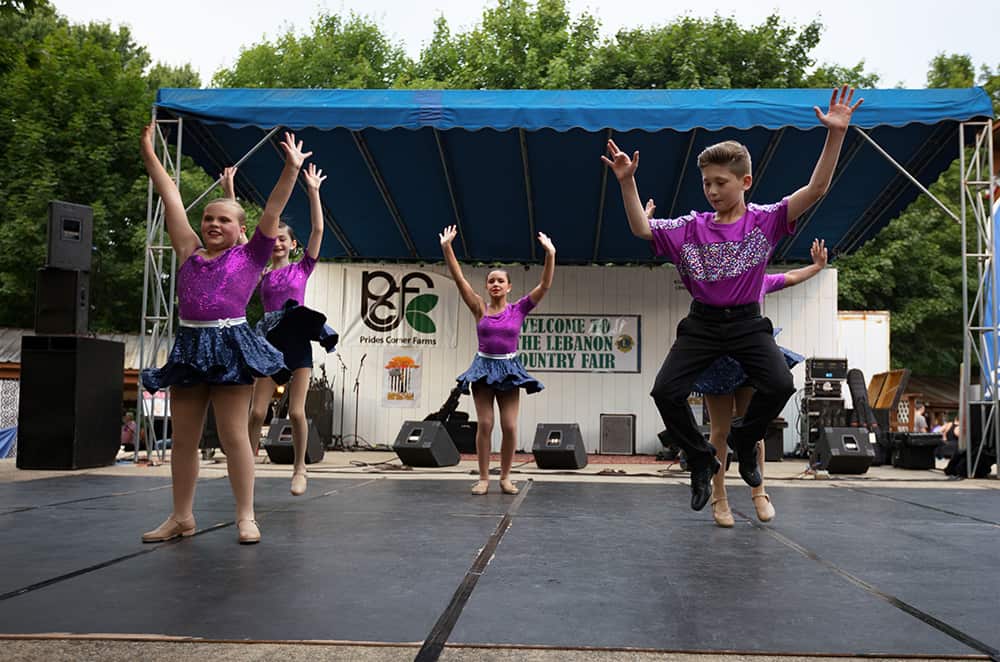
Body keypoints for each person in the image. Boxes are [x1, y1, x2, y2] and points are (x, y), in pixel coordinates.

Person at [603, 85, 863, 511]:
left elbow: (815, 190)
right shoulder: (691, 226)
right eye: (706, 183)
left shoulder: (766, 220)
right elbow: (642, 230)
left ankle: (746, 437)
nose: (712, 190)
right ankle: (702, 458)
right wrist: (627, 183)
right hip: (702, 324)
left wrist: (835, 133)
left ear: (745, 182)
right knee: (665, 392)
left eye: (721, 182)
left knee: (780, 382)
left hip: (746, 323)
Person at [139, 124, 311, 544]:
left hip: (230, 344)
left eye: (223, 220)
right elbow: (171, 197)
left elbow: (272, 209)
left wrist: (290, 169)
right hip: (191, 344)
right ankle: (181, 516)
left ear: (240, 228)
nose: (213, 224)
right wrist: (149, 153)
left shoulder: (252, 256)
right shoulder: (189, 252)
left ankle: (245, 516)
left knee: (235, 435)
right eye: (209, 219)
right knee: (184, 439)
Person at [684, 234, 826, 527]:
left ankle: (759, 491)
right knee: (720, 430)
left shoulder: (758, 281)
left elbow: (789, 277)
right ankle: (719, 497)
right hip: (718, 357)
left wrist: (816, 267)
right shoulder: (714, 281)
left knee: (752, 427)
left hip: (749, 356)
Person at [440, 225, 555, 495]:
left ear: (508, 286)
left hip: (508, 369)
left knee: (510, 426)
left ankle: (505, 477)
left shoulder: (519, 309)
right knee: (486, 424)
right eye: (491, 280)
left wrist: (550, 254)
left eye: (500, 281)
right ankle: (483, 478)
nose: (495, 284)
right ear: (487, 286)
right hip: (483, 368)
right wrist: (447, 248)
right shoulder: (479, 307)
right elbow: (459, 280)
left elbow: (545, 285)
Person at [246, 162, 338, 496]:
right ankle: (247, 464)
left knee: (297, 410)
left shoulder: (302, 269)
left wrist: (313, 192)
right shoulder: (260, 273)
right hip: (270, 343)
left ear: (292, 244)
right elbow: (244, 237)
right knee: (257, 411)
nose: (277, 244)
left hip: (298, 342)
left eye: (283, 239)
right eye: (273, 240)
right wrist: (229, 192)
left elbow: (317, 231)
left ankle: (300, 468)